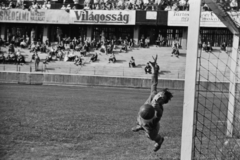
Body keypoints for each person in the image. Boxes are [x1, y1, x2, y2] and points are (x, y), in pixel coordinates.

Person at [132, 55, 173, 152]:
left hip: (152, 126)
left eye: (162, 99)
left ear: (162, 102)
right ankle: (141, 125)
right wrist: (155, 69)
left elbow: (156, 119)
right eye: (160, 94)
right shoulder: (153, 94)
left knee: (151, 136)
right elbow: (154, 82)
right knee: (140, 115)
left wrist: (155, 110)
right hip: (143, 118)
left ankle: (160, 141)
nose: (159, 97)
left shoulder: (159, 109)